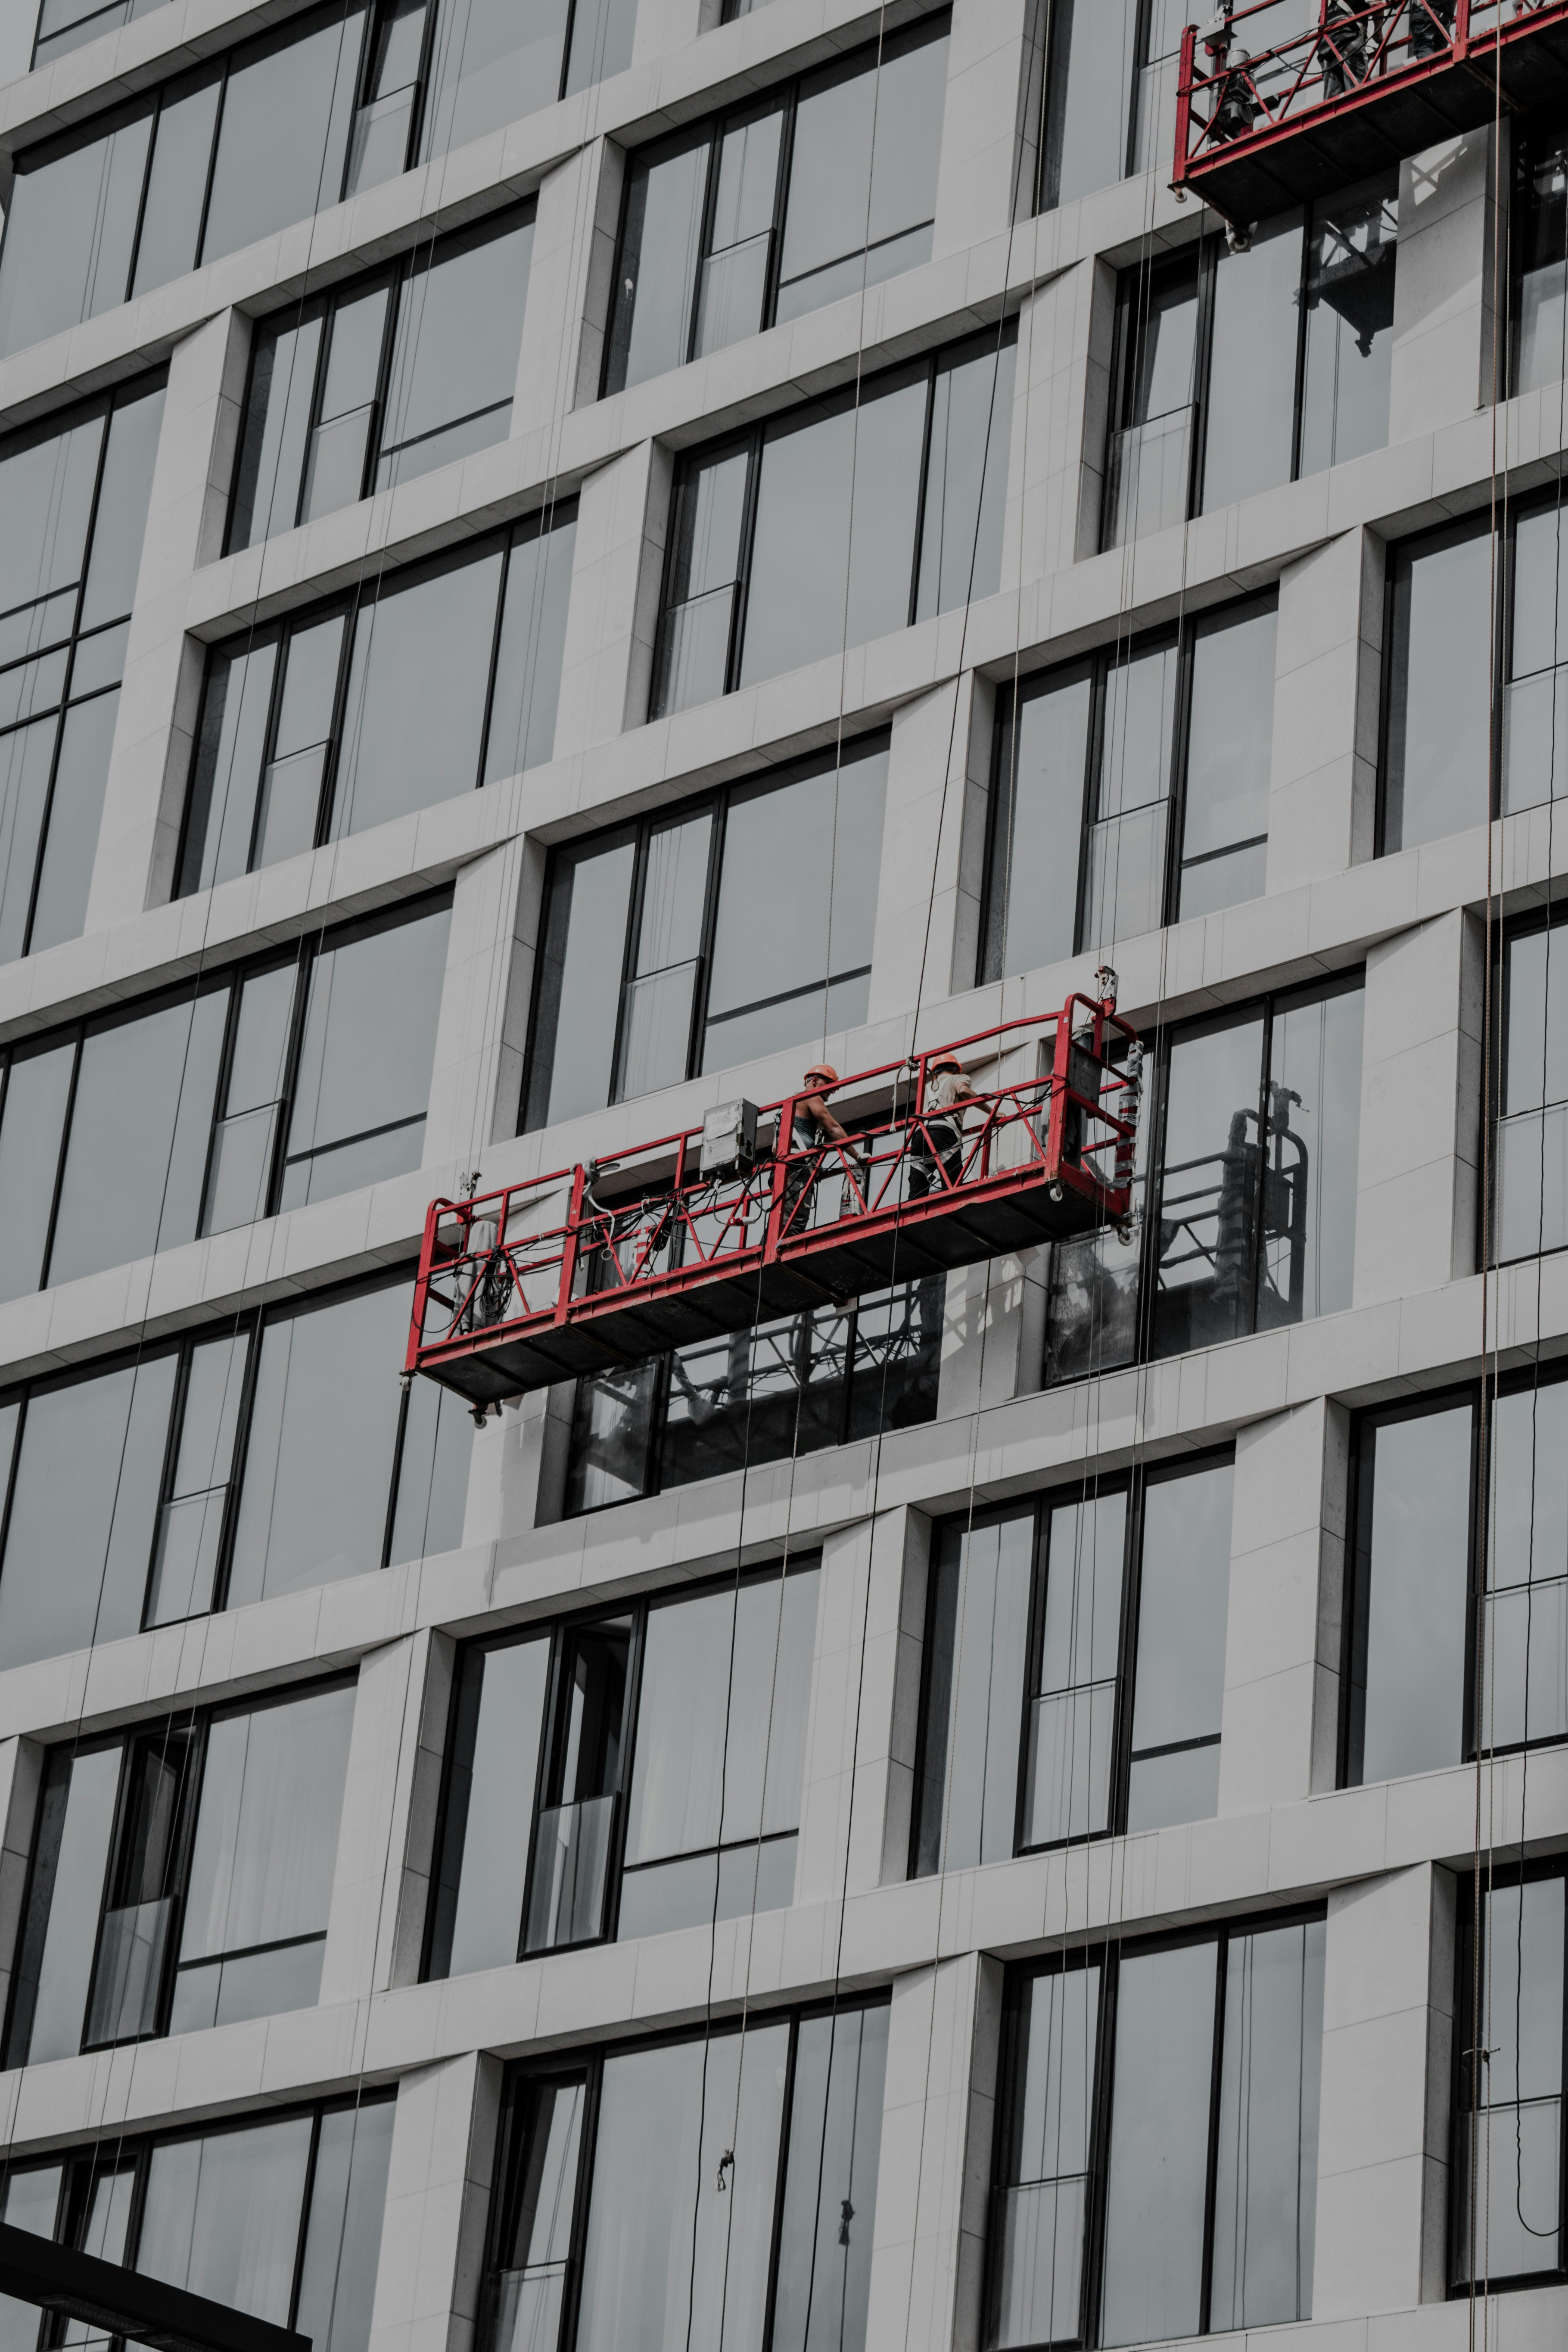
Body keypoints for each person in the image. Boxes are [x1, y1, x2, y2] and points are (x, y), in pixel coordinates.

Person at [779, 1062, 852, 1231]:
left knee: (782, 1223)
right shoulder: (811, 1096)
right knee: (794, 1225)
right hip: (797, 1169)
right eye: (830, 1085)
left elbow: (775, 1150)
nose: (833, 1091)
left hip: (784, 1170)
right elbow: (833, 1128)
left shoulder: (787, 1106)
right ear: (815, 1081)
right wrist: (856, 1155)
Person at [909, 1050, 980, 1200]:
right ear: (956, 1069)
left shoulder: (929, 1087)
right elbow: (963, 1090)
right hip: (942, 1133)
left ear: (935, 1072)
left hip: (919, 1136)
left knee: (917, 1194)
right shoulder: (959, 1078)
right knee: (953, 1188)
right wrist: (992, 1111)